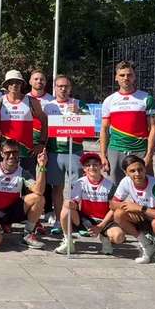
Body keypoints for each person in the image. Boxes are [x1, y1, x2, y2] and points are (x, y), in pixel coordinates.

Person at [0, 139, 47, 250]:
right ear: (1, 153)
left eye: (15, 153)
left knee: (38, 198)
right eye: (8, 153)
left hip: (11, 211)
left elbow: (39, 191)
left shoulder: (22, 172)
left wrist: (42, 166)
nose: (11, 156)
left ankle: (27, 234)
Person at [42, 75, 90, 231]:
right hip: (55, 152)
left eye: (66, 86)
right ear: (54, 88)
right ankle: (58, 221)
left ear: (70, 88)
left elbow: (89, 127)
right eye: (60, 86)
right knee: (57, 188)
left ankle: (78, 222)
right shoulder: (48, 106)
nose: (63, 89)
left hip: (74, 152)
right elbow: (43, 130)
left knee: (77, 188)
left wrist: (79, 114)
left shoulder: (79, 104)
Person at [110, 154, 155, 267]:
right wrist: (127, 206)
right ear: (126, 173)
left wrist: (140, 208)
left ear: (145, 169)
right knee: (118, 214)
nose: (137, 174)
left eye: (140, 169)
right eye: (132, 171)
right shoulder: (125, 181)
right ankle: (146, 244)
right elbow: (112, 204)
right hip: (144, 215)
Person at [53, 152, 123, 255]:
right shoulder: (80, 182)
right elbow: (74, 203)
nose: (92, 167)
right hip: (85, 219)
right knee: (66, 206)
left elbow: (114, 209)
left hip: (104, 220)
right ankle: (68, 242)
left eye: (95, 164)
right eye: (88, 165)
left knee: (119, 237)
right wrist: (70, 203)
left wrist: (101, 226)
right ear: (84, 169)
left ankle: (105, 238)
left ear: (101, 166)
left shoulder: (110, 185)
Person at [100, 61, 155, 182]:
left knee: (145, 191)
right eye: (122, 75)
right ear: (116, 77)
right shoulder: (109, 100)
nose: (126, 78)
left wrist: (149, 155)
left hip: (140, 151)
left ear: (134, 76)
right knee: (114, 191)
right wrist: (103, 155)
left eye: (129, 74)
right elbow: (104, 129)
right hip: (115, 150)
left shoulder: (147, 98)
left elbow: (153, 128)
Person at [0, 70, 48, 173]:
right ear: (6, 85)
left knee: (28, 186)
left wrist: (41, 144)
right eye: (11, 82)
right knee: (4, 185)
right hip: (6, 153)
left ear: (22, 84)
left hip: (26, 153)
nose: (14, 85)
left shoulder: (32, 101)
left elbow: (44, 122)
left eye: (17, 82)